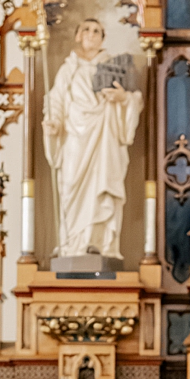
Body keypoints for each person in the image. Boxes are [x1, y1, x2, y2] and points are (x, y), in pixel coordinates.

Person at [43, 16, 144, 263]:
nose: (91, 34)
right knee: (70, 186)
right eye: (86, 29)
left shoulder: (113, 67)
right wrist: (54, 122)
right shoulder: (68, 69)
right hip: (75, 139)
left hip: (104, 138)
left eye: (97, 31)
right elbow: (55, 101)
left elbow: (134, 99)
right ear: (77, 35)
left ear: (103, 38)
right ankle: (72, 243)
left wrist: (123, 100)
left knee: (103, 188)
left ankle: (100, 243)